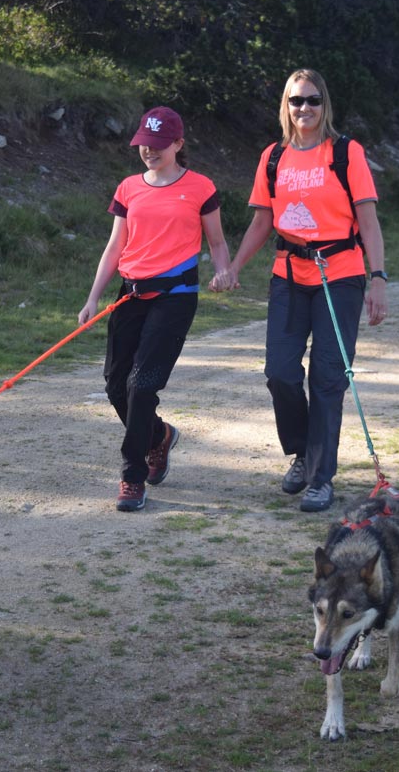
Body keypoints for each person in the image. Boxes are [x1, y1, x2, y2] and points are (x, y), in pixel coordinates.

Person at [212, 69, 388, 512]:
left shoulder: (346, 153)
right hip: (289, 276)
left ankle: (320, 479)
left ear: (324, 104)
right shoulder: (273, 157)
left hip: (341, 276)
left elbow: (368, 222)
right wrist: (233, 267)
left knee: (327, 379)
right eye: (295, 101)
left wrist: (378, 279)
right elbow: (262, 221)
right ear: (285, 106)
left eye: (311, 100)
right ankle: (301, 453)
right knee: (280, 373)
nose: (303, 109)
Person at [80, 106, 233, 512]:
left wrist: (223, 271)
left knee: (142, 384)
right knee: (116, 385)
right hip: (129, 295)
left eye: (159, 144)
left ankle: (132, 477)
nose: (149, 151)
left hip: (175, 297)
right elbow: (115, 246)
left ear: (178, 144)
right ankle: (159, 437)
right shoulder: (129, 187)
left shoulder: (201, 187)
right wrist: (94, 297)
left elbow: (216, 242)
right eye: (144, 144)